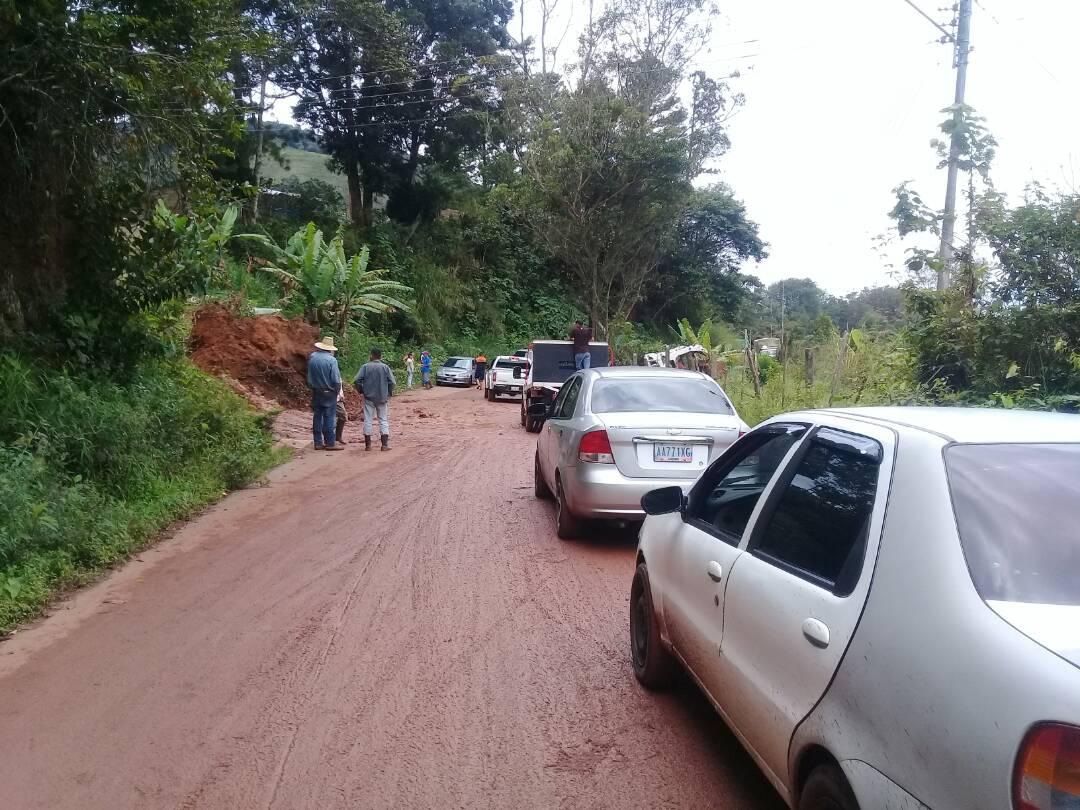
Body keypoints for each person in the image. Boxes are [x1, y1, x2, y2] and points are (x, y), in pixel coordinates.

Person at [353, 347, 397, 451]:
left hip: (369, 398)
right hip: (382, 398)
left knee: (368, 419)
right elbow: (392, 382)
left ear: (371, 355)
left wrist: (361, 390)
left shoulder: (365, 367)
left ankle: (368, 446)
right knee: (383, 419)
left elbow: (357, 380)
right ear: (380, 356)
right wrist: (388, 393)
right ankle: (384, 445)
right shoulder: (385, 367)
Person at [307, 336, 344, 451]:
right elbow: (336, 380)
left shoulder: (312, 357)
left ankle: (317, 442)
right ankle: (330, 443)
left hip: (316, 391)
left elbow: (308, 376)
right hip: (329, 392)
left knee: (317, 416)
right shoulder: (331, 360)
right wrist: (337, 392)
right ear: (330, 349)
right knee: (329, 417)